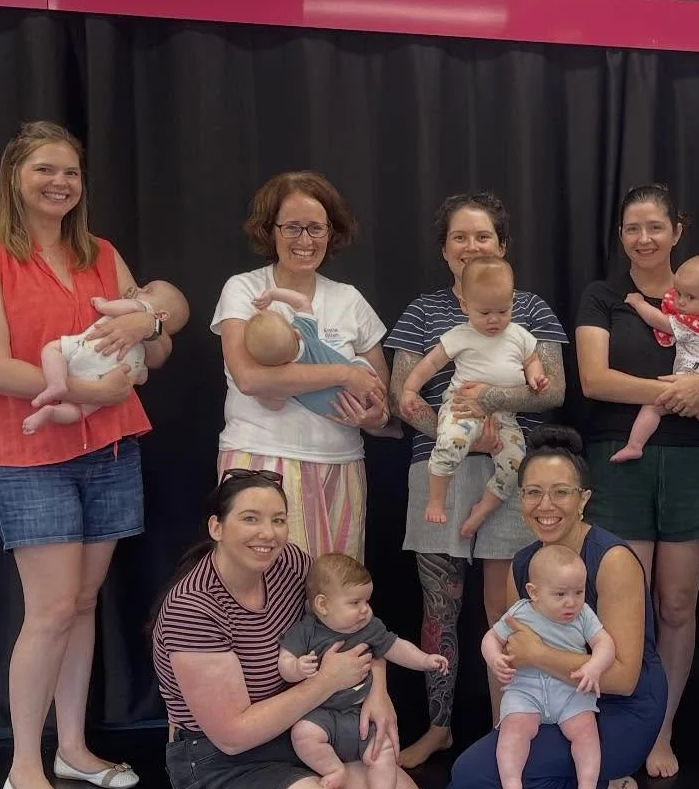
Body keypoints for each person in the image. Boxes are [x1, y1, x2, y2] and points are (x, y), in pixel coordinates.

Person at [0, 121, 177, 789]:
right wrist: (86, 391)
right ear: (14, 177)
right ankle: (23, 767)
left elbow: (158, 344)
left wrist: (148, 327)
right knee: (49, 610)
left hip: (108, 445)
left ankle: (72, 748)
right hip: (29, 453)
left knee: (80, 605)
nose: (60, 183)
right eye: (45, 170)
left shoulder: (101, 254)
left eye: (72, 173)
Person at [151, 470, 434, 789]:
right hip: (221, 762)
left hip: (301, 732)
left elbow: (355, 623)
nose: (268, 533)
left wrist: (379, 692)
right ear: (217, 526)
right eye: (250, 518)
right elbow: (232, 735)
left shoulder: (289, 565)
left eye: (278, 519)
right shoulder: (193, 608)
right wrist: (325, 682)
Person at [576, 184, 699, 778]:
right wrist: (679, 392)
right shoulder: (604, 297)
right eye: (633, 228)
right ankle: (619, 729)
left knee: (677, 605)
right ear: (621, 236)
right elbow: (595, 381)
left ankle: (662, 730)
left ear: (677, 230)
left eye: (655, 226)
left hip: (696, 465)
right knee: (625, 609)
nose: (644, 238)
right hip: (620, 461)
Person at [386, 192, 567, 769]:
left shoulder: (530, 310)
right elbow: (401, 394)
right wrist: (453, 428)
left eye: (483, 236)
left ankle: (502, 729)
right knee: (441, 608)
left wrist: (489, 406)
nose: (471, 246)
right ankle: (438, 726)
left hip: (513, 474)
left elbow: (556, 389)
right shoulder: (422, 311)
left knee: (506, 609)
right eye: (459, 238)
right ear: (444, 251)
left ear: (503, 245)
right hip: (438, 465)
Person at [437, 426, 668, 789]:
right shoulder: (523, 564)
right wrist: (509, 727)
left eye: (561, 492)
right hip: (550, 699)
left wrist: (541, 656)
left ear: (583, 499)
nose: (545, 506)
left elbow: (620, 678)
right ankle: (591, 788)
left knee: (473, 778)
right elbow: (512, 657)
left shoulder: (612, 560)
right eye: (533, 493)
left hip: (620, 705)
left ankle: (611, 786)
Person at [212, 171, 391, 561]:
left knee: (335, 598)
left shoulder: (349, 300)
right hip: (260, 463)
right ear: (269, 230)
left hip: (340, 467)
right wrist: (343, 373)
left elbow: (381, 402)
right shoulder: (244, 290)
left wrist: (376, 416)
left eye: (316, 228)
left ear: (332, 232)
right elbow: (250, 378)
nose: (305, 240)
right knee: (267, 592)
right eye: (293, 227)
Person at [278, 552, 449, 789]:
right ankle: (334, 768)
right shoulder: (306, 632)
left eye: (366, 601)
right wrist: (297, 667)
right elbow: (284, 660)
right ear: (322, 604)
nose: (364, 610)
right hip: (322, 713)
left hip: (360, 716)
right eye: (355, 603)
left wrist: (424, 660)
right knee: (303, 734)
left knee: (383, 753)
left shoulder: (368, 627)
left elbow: (395, 647)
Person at [398, 257, 548, 537]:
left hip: (504, 416)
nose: (494, 320)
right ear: (465, 306)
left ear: (512, 302)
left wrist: (536, 377)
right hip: (461, 408)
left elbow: (532, 361)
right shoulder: (459, 335)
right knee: (450, 444)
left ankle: (484, 509)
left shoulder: (519, 335)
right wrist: (409, 390)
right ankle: (436, 499)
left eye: (503, 311)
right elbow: (430, 364)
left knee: (516, 465)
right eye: (484, 312)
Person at [482, 543, 616, 789]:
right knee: (514, 729)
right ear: (534, 593)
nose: (571, 602)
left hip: (569, 690)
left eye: (579, 592)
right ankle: (511, 783)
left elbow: (605, 644)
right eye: (560, 594)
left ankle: (587, 787)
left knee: (586, 732)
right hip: (526, 688)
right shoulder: (520, 612)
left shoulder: (583, 615)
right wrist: (494, 658)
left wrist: (594, 667)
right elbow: (490, 638)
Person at [610, 254, 699, 462]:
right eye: (678, 293)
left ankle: (634, 445)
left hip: (692, 379)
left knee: (653, 406)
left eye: (690, 297)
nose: (680, 302)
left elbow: (658, 321)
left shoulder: (694, 323)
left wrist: (638, 303)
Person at [23, 281, 188, 434]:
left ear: (161, 315)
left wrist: (103, 304)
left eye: (147, 290)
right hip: (106, 378)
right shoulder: (144, 349)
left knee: (52, 349)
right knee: (79, 411)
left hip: (89, 349)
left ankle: (56, 383)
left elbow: (117, 308)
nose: (137, 289)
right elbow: (141, 378)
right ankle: (51, 412)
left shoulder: (143, 308)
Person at [242, 285, 376, 417]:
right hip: (366, 388)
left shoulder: (282, 380)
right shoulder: (306, 332)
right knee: (359, 362)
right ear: (296, 334)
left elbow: (275, 406)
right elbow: (302, 302)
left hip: (346, 412)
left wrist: (258, 395)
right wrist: (273, 294)